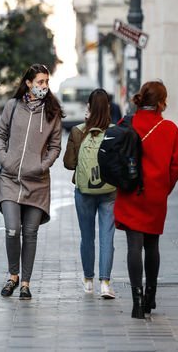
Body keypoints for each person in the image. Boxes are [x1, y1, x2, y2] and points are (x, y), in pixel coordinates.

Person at [114, 81, 178, 319]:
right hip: (155, 194)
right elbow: (176, 166)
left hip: (129, 192)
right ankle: (150, 297)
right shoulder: (170, 129)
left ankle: (136, 301)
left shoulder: (126, 124)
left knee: (134, 246)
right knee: (152, 245)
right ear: (162, 102)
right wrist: (165, 188)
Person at [0, 64, 63, 300]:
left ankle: (25, 283)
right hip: (10, 178)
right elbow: (0, 134)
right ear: (29, 83)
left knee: (30, 233)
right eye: (40, 82)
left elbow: (55, 146)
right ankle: (12, 276)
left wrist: (42, 166)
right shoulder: (13, 106)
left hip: (37, 182)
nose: (44, 86)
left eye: (46, 82)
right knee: (13, 230)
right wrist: (4, 159)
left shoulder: (52, 111)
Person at [63, 89, 117, 299]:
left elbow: (69, 164)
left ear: (89, 107)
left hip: (84, 191)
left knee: (87, 237)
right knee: (107, 236)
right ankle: (105, 283)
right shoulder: (115, 131)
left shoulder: (78, 131)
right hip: (110, 190)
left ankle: (88, 281)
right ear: (108, 107)